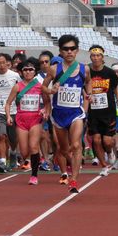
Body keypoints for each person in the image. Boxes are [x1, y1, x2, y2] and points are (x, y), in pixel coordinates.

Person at [42, 35, 91, 194]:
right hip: (58, 115)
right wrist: (50, 92)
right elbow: (42, 87)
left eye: (72, 49)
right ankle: (69, 165)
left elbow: (88, 82)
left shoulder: (84, 68)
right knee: (63, 149)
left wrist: (88, 94)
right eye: (66, 49)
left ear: (77, 50)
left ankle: (74, 180)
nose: (69, 52)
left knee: (76, 145)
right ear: (61, 51)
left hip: (76, 113)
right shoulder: (54, 69)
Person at [5, 58, 49, 185]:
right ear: (21, 72)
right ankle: (34, 159)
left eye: (31, 69)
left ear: (35, 71)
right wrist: (8, 116)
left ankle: (34, 176)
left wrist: (45, 111)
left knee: (33, 146)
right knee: (24, 152)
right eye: (25, 70)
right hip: (21, 120)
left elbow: (47, 102)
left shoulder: (40, 86)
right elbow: (8, 103)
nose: (28, 72)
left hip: (35, 119)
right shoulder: (17, 87)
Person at [87, 45, 118, 177]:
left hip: (108, 111)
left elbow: (115, 88)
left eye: (98, 56)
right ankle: (103, 166)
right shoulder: (87, 71)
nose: (95, 58)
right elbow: (84, 87)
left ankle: (110, 152)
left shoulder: (109, 73)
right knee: (96, 140)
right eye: (93, 56)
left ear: (102, 57)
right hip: (93, 111)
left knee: (107, 141)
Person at [0, 53, 20, 173]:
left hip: (14, 111)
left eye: (3, 62)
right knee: (1, 136)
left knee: (13, 139)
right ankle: (2, 162)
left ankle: (13, 153)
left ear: (7, 63)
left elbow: (22, 88)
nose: (1, 65)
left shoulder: (15, 76)